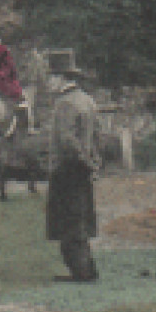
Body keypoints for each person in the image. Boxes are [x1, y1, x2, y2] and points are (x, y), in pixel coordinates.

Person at [46, 65, 101, 282]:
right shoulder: (87, 100)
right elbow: (96, 135)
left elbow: (67, 140)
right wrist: (94, 161)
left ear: (62, 78)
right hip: (81, 169)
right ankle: (87, 267)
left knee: (69, 222)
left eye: (51, 77)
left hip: (67, 169)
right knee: (80, 220)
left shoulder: (64, 103)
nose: (49, 82)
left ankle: (81, 271)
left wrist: (84, 161)